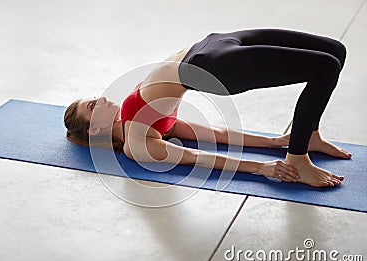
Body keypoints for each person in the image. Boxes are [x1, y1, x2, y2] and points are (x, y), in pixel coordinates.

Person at [64, 28, 352, 188]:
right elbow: (195, 156)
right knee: (326, 67)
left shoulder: (144, 124)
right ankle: (298, 159)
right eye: (92, 105)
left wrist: (272, 141)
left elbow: (216, 133)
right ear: (95, 129)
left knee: (335, 51)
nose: (100, 99)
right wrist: (260, 166)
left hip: (211, 43)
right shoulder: (137, 145)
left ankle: (308, 136)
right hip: (212, 66)